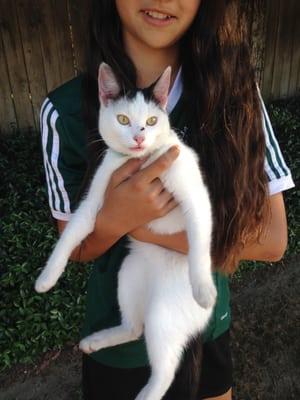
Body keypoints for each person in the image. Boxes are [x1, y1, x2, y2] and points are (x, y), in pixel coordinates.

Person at [39, 0, 294, 399]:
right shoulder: (64, 111)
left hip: (206, 324)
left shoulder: (237, 95)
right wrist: (114, 217)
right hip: (120, 347)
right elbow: (79, 246)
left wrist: (137, 222)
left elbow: (274, 240)